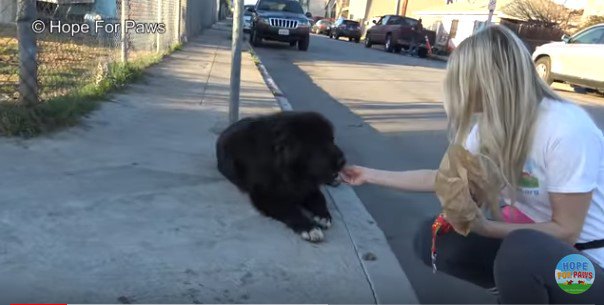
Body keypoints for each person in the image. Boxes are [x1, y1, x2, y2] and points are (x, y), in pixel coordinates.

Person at [340, 25, 604, 304]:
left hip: (584, 272)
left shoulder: (565, 129)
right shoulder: (491, 126)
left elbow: (565, 231)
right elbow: (442, 178)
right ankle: (518, 288)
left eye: (461, 79)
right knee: (437, 238)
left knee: (521, 251)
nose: (456, 88)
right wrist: (367, 174)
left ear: (489, 81)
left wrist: (487, 229)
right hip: (537, 252)